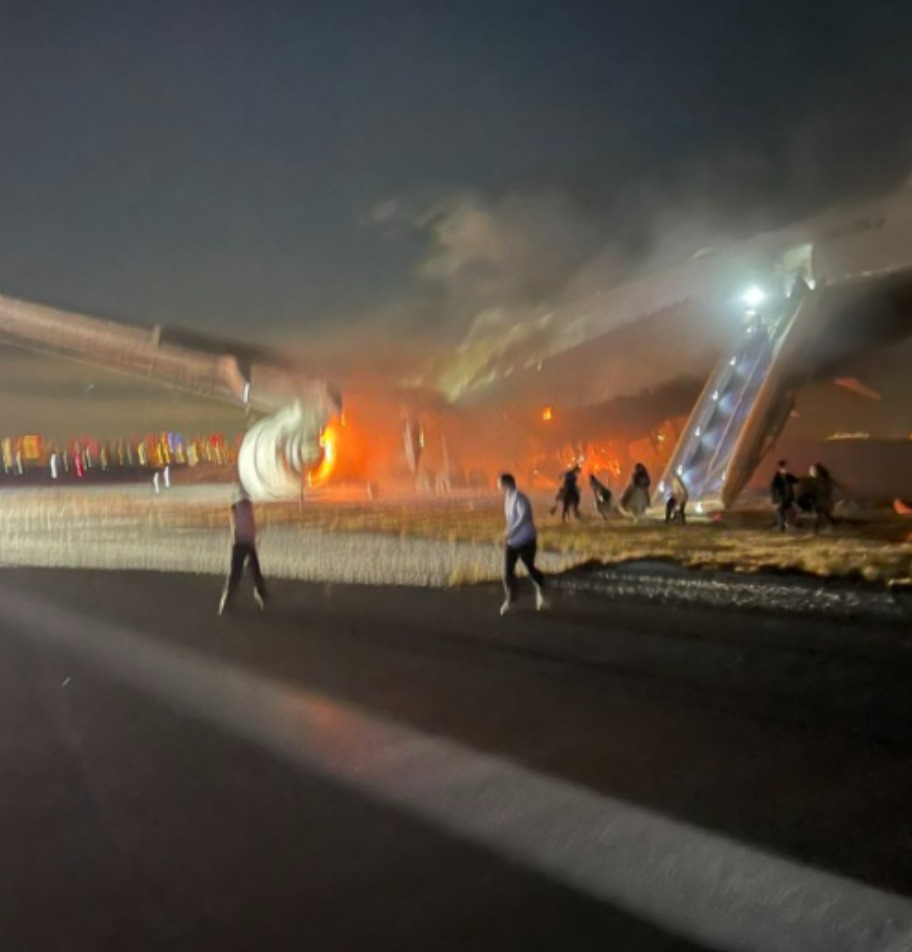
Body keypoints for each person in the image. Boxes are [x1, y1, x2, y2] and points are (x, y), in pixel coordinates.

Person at [498, 473, 546, 616]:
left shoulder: (519, 497)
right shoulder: (508, 498)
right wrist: (506, 535)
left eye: (499, 483)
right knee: (507, 572)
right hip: (513, 542)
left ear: (506, 484)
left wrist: (510, 533)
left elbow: (524, 517)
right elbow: (511, 520)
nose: (498, 486)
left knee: (530, 567)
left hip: (526, 539)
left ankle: (541, 592)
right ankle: (511, 599)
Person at [219, 489, 268, 615]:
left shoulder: (243, 507)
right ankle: (228, 603)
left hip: (244, 543)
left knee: (249, 573)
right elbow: (244, 525)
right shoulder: (240, 507)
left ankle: (229, 602)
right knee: (245, 573)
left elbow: (249, 525)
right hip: (242, 543)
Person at [770, 459, 798, 531]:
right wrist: (776, 500)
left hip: (788, 498)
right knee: (781, 513)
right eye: (785, 467)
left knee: (790, 512)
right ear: (781, 468)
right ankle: (781, 526)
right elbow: (773, 489)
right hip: (781, 498)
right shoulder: (776, 478)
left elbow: (796, 480)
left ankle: (786, 525)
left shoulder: (788, 476)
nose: (786, 469)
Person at [809, 463, 837, 533]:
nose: (810, 472)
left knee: (820, 515)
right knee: (824, 514)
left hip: (823, 501)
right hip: (823, 501)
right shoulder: (821, 479)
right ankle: (833, 525)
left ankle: (815, 529)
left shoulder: (821, 480)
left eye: (812, 470)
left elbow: (824, 490)